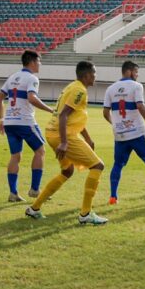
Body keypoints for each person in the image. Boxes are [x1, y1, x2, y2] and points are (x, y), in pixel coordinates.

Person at [25, 61, 107, 225]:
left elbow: (72, 117)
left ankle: (34, 208)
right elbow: (63, 116)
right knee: (98, 166)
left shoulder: (72, 87)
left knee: (67, 171)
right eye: (94, 73)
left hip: (53, 133)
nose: (95, 76)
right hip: (63, 136)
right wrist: (64, 142)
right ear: (86, 75)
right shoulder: (79, 90)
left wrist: (88, 138)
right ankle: (85, 214)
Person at [103, 61, 145, 205]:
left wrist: (116, 124)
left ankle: (113, 197)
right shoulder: (137, 86)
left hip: (120, 135)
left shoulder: (110, 89)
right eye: (136, 72)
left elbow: (105, 112)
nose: (137, 75)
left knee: (118, 164)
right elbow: (140, 105)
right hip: (137, 133)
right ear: (130, 71)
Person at [0, 50, 53, 202]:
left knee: (15, 156)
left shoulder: (13, 77)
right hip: (25, 122)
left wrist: (2, 118)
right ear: (32, 62)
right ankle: (35, 189)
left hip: (10, 122)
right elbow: (32, 98)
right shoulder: (32, 78)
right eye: (39, 61)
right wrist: (51, 110)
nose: (40, 64)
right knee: (40, 151)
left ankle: (13, 193)